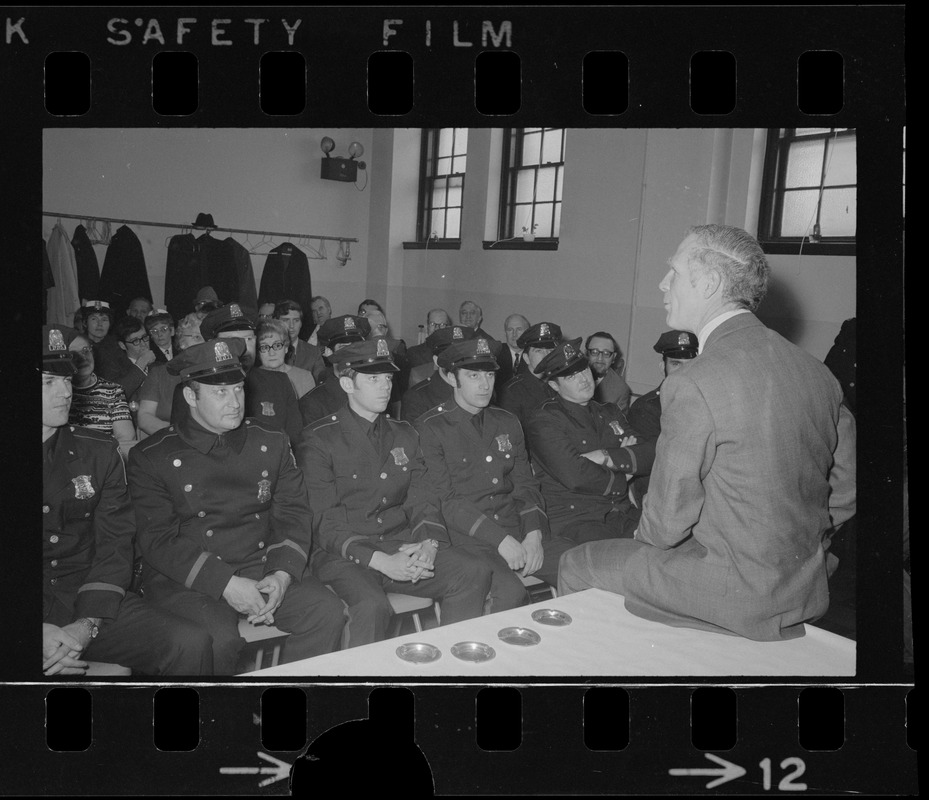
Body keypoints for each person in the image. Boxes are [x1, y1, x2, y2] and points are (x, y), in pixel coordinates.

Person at [559, 224, 855, 642]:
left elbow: (665, 525)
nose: (663, 284)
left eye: (674, 272)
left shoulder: (694, 380)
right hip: (804, 584)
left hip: (735, 591)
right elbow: (846, 490)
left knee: (578, 563)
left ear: (711, 283)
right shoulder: (817, 373)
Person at [127, 338, 345, 673]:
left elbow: (292, 514)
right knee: (216, 640)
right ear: (190, 396)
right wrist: (225, 583)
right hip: (189, 578)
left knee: (325, 611)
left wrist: (282, 574)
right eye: (219, 392)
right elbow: (157, 540)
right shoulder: (153, 456)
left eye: (239, 389)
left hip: (259, 563)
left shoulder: (270, 441)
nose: (235, 402)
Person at [298, 337, 492, 646]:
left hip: (400, 545)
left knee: (473, 571)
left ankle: (452, 668)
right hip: (345, 555)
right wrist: (380, 560)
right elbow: (325, 522)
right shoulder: (320, 439)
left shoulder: (403, 432)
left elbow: (422, 497)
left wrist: (429, 543)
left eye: (387, 378)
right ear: (347, 384)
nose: (385, 386)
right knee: (371, 606)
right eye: (372, 378)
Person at [42, 325, 211, 676]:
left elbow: (115, 544)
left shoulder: (98, 451)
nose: (65, 392)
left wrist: (85, 624)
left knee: (189, 643)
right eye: (48, 382)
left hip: (88, 599)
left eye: (66, 380)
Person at [416, 337, 575, 606]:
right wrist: (500, 540)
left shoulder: (507, 421)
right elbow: (447, 501)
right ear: (452, 378)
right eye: (473, 375)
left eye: (489, 374)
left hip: (515, 528)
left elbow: (525, 485)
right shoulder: (431, 428)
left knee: (580, 566)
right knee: (512, 594)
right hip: (469, 539)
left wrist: (533, 535)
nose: (484, 384)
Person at [525, 338, 653, 544]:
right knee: (623, 561)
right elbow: (575, 475)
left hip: (621, 512)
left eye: (584, 370)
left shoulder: (609, 412)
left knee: (665, 546)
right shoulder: (544, 420)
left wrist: (605, 456)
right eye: (571, 377)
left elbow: (650, 453)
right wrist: (625, 473)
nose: (583, 379)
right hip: (577, 519)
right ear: (554, 385)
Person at [200, 303, 303, 445]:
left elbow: (295, 440)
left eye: (248, 339)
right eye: (232, 340)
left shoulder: (279, 383)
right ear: (215, 344)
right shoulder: (199, 388)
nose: (243, 348)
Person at [66, 330, 137, 457]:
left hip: (104, 461)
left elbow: (125, 438)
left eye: (86, 350)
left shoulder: (113, 391)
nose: (83, 358)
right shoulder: (60, 392)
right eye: (73, 355)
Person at [627, 330, 699, 447]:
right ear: (662, 368)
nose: (683, 372)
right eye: (676, 364)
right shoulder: (646, 409)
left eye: (690, 365)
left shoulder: (703, 402)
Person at [299, 314, 371, 426]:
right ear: (329, 353)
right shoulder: (314, 402)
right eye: (343, 348)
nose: (350, 354)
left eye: (355, 347)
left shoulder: (373, 392)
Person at [136, 316, 204, 435]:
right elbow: (144, 418)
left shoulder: (216, 372)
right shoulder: (160, 373)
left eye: (206, 337)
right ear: (182, 342)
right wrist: (180, 433)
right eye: (197, 337)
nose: (203, 342)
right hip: (171, 438)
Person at [400, 325, 475, 423]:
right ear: (436, 361)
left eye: (464, 356)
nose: (459, 362)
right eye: (451, 356)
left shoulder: (479, 390)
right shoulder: (417, 398)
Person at [497, 321, 562, 430]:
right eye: (539, 351)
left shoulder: (563, 384)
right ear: (526, 358)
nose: (546, 356)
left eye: (550, 350)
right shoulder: (512, 391)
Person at [96, 315, 157, 410]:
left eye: (144, 337)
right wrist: (142, 363)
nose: (143, 344)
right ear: (122, 345)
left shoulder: (159, 365)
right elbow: (116, 396)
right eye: (135, 341)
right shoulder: (113, 367)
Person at [257, 318, 316, 399]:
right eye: (264, 347)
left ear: (286, 348)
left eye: (277, 345)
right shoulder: (251, 381)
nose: (271, 353)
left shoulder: (304, 378)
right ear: (258, 352)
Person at [274, 299, 326, 381]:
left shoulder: (313, 353)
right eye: (286, 320)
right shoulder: (268, 351)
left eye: (296, 320)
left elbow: (322, 384)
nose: (291, 326)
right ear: (276, 323)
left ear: (301, 323)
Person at [403, 308, 451, 388]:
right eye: (432, 324)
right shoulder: (413, 353)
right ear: (427, 327)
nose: (437, 328)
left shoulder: (454, 353)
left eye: (442, 325)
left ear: (448, 328)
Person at [586, 331, 632, 413]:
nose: (600, 359)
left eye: (606, 353)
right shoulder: (572, 376)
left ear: (613, 357)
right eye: (594, 352)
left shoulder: (620, 390)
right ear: (587, 354)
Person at [497, 314, 530, 386]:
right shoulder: (496, 354)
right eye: (510, 330)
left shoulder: (533, 356)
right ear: (505, 333)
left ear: (527, 333)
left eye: (519, 329)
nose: (514, 334)